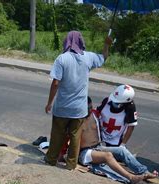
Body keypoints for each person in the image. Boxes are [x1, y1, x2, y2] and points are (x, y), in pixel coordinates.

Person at [44, 31, 113, 170]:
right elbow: (104, 57)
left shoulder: (62, 59)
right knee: (75, 136)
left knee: (58, 134)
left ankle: (51, 160)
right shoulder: (88, 57)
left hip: (62, 107)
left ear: (67, 41)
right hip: (79, 109)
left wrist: (49, 103)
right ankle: (71, 165)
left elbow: (55, 83)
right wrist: (106, 45)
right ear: (81, 42)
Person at [78, 100, 155, 184]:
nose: (89, 110)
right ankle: (131, 177)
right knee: (108, 156)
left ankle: (143, 171)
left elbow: (120, 112)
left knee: (122, 150)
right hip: (84, 153)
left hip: (97, 147)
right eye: (87, 109)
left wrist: (130, 105)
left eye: (90, 108)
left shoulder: (94, 114)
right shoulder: (76, 121)